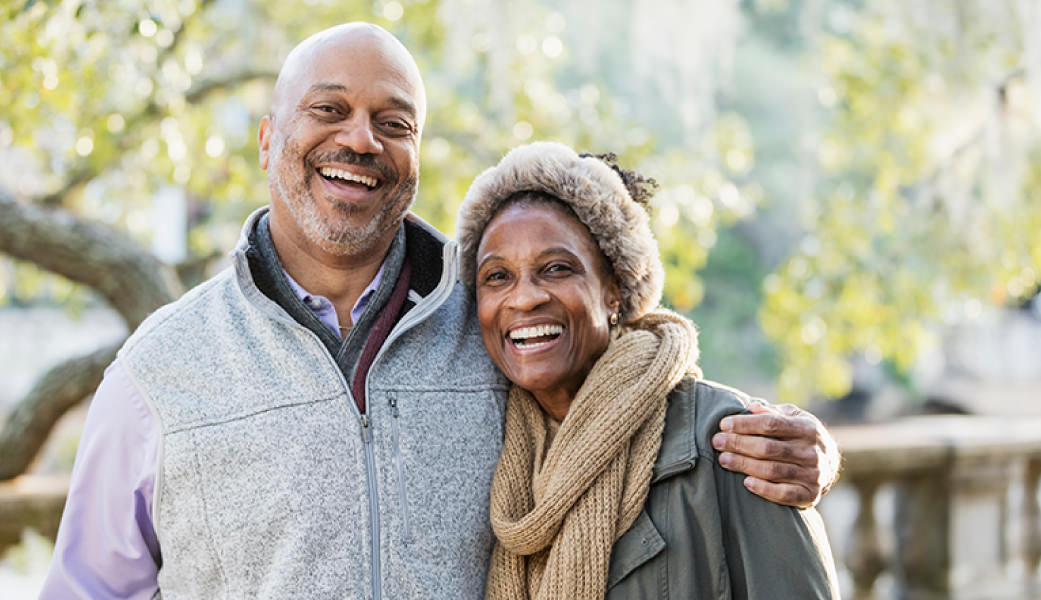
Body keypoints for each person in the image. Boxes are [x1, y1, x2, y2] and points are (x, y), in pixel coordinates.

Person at [40, 23, 838, 599]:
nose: (361, 140)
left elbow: (629, 391)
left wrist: (810, 452)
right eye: (328, 111)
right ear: (266, 138)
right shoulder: (161, 370)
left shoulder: (489, 325)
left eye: (395, 123)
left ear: (416, 157)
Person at [455, 141, 840, 598]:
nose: (523, 298)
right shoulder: (477, 437)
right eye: (496, 277)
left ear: (614, 292)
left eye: (557, 268)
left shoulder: (728, 441)